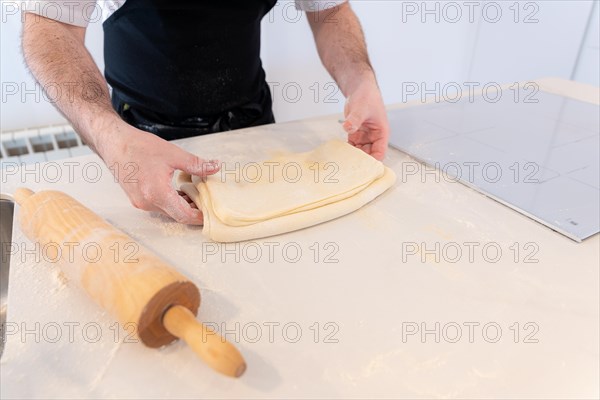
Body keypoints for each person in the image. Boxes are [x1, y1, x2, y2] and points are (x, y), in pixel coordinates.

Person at [22, 0, 389, 224]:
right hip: (140, 141)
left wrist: (360, 82)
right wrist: (110, 136)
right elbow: (50, 24)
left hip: (252, 127)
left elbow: (329, 10)